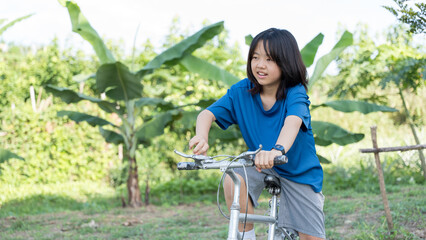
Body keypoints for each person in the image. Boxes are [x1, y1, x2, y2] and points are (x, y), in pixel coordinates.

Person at [188, 28, 325, 240]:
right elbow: (206, 115)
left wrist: (276, 150)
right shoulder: (241, 91)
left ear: (286, 62)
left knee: (311, 238)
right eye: (255, 57)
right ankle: (247, 236)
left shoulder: (295, 91)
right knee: (234, 178)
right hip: (259, 165)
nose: (260, 65)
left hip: (298, 171)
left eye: (269, 59)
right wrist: (201, 137)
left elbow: (293, 122)